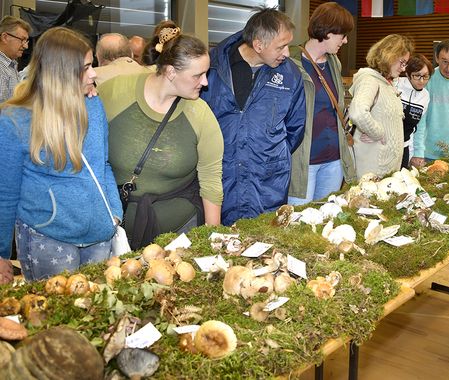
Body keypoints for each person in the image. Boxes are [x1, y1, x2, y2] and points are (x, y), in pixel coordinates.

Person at [0, 27, 123, 282]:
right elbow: (6, 193)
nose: (94, 73)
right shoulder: (15, 120)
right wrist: (2, 253)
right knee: (52, 320)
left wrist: (114, 210)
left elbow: (103, 164)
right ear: (61, 72)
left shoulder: (93, 104)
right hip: (48, 239)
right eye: (86, 67)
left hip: (100, 235)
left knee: (97, 316)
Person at [98, 28, 223, 250]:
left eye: (206, 73)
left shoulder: (201, 114)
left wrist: (212, 240)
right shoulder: (114, 93)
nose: (205, 82)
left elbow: (211, 182)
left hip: (180, 233)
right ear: (171, 72)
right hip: (114, 230)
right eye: (197, 75)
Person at [201, 7, 305, 226]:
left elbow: (295, 129)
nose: (287, 53)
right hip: (221, 182)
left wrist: (268, 154)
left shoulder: (290, 75)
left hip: (268, 185)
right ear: (258, 45)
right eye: (281, 46)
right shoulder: (211, 68)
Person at [287, 2, 356, 205]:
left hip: (333, 159)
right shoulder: (291, 62)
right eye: (342, 35)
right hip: (303, 161)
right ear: (327, 31)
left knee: (326, 217)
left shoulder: (334, 63)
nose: (345, 41)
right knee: (300, 224)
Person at [348, 34, 413, 179]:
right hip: (374, 166)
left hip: (385, 166)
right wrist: (377, 133)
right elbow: (358, 112)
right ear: (389, 56)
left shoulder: (386, 82)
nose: (403, 69)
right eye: (402, 62)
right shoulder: (370, 80)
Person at [396, 53, 433, 168]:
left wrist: (418, 153)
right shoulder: (395, 84)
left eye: (426, 76)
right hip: (385, 146)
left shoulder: (425, 96)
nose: (422, 81)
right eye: (417, 76)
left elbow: (419, 128)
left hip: (405, 146)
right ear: (407, 74)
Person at [0, 16, 31, 103]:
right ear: (5, 37)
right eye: (22, 40)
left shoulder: (11, 65)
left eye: (26, 41)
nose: (26, 46)